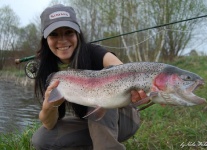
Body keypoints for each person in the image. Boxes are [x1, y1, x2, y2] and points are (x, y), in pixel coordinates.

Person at [31, 4, 150, 150]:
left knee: (102, 93)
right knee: (42, 139)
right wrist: (50, 105)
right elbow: (48, 123)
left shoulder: (94, 52)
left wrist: (141, 91)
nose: (62, 40)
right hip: (92, 121)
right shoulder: (48, 70)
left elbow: (127, 71)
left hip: (125, 120)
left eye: (69, 32)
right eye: (54, 34)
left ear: (77, 35)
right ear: (45, 39)